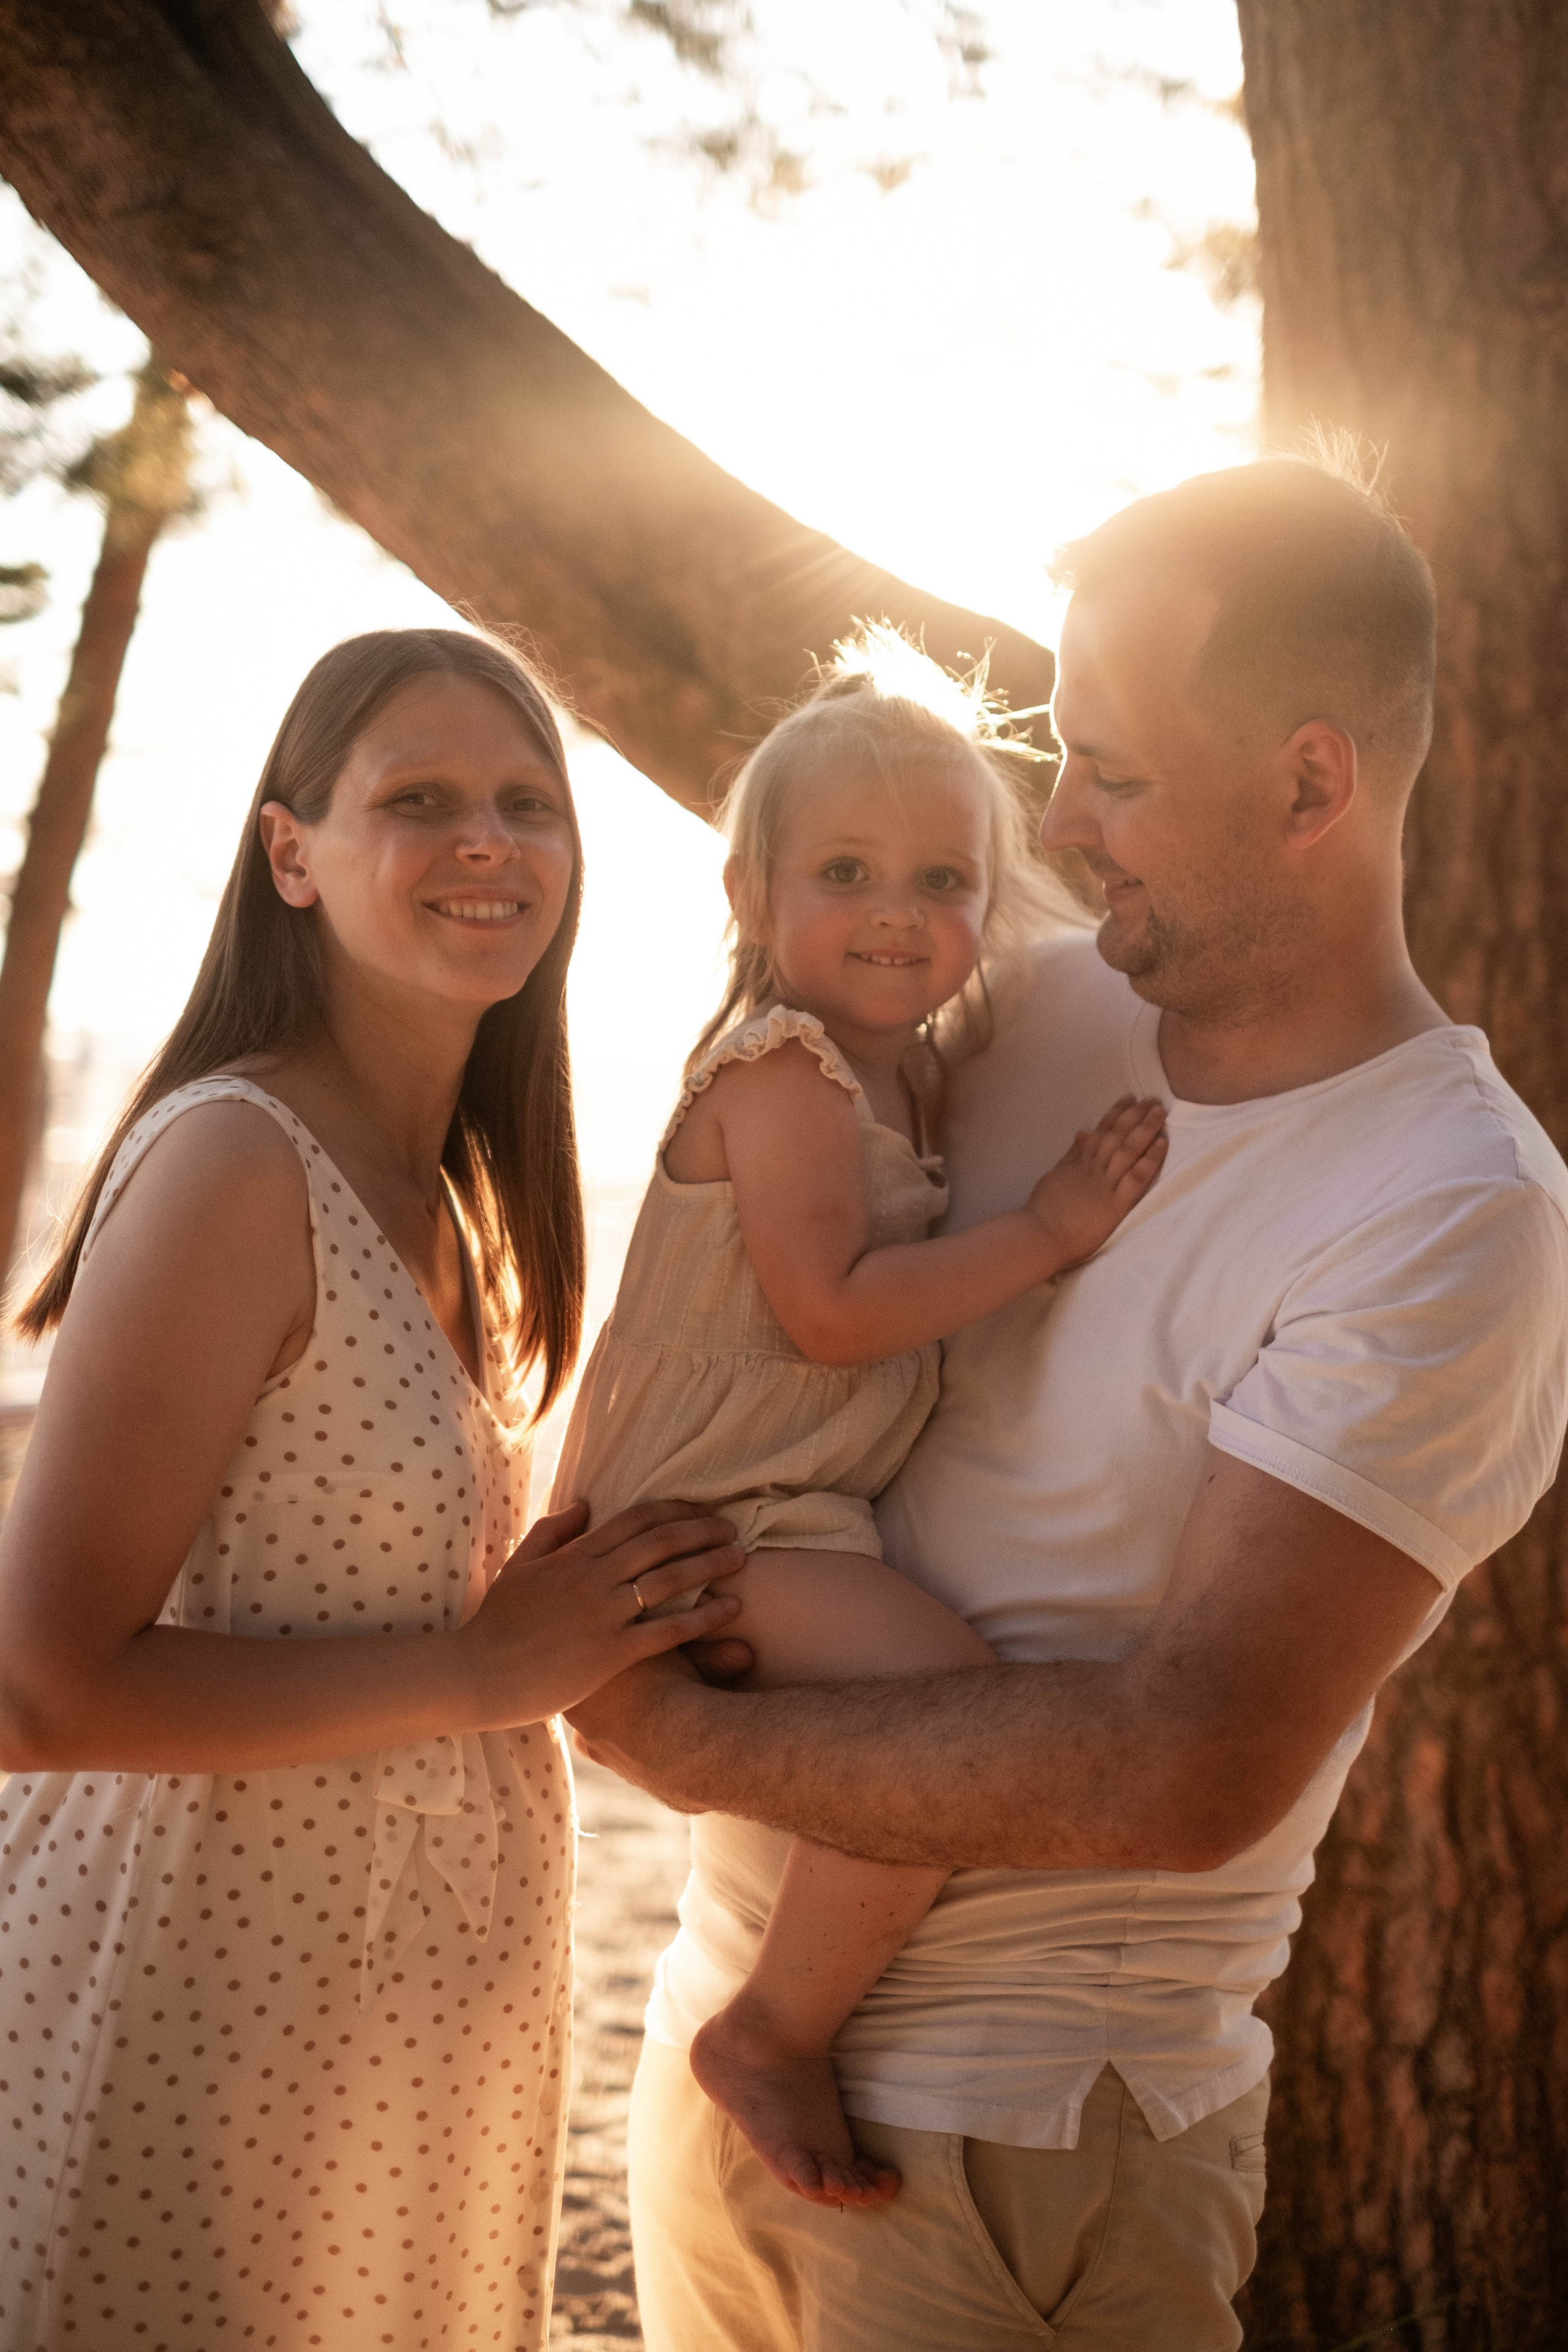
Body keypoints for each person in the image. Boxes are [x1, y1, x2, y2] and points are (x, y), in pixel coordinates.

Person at [571, 458, 1568, 2352]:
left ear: (1307, 784)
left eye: (1113, 771)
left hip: (1011, 2146)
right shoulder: (1030, 1007)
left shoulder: (1451, 1212)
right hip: (717, 2071)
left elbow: (1182, 1768)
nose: (1058, 819)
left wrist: (670, 1738)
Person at [0, 628, 743, 2352]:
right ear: (293, 856)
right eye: (419, 801)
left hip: (396, 2039)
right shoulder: (234, 1164)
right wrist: (491, 1673)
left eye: (525, 803)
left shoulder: (466, 1205)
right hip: (203, 2006)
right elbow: (37, 1687)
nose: (489, 842)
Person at [549, 628, 1167, 2209]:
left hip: (781, 1506)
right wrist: (1045, 1233)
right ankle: (775, 2027)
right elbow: (825, 1309)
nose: (899, 912)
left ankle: (776, 1977)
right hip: (709, 1519)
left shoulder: (906, 1079)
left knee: (930, 1712)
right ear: (752, 902)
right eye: (844, 871)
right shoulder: (787, 1078)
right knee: (948, 1713)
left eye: (942, 881)